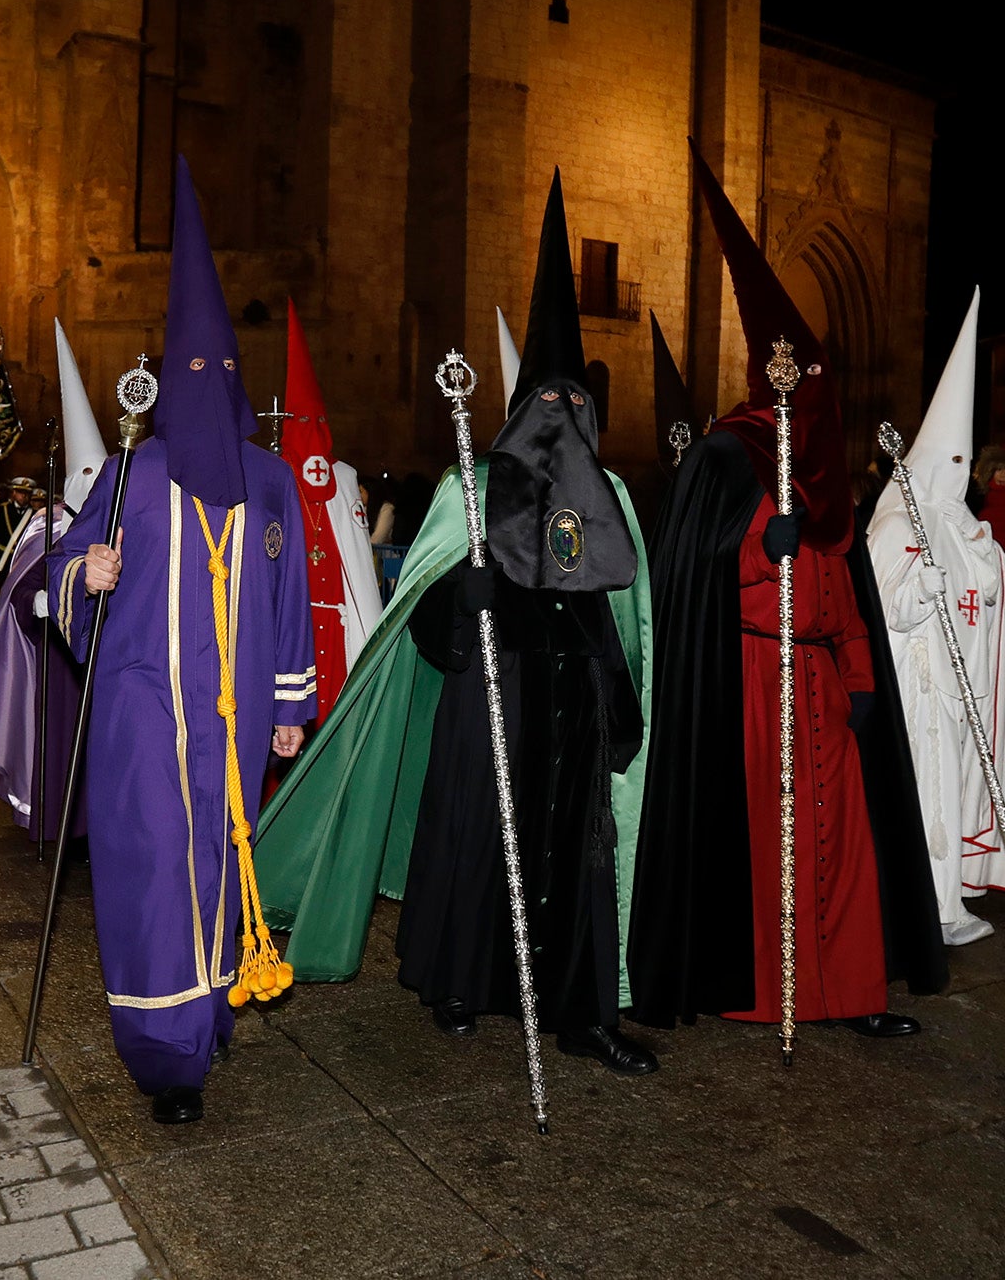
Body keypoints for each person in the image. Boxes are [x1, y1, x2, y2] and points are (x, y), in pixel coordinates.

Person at [254, 171, 658, 1075]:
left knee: (580, 859)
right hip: (494, 692)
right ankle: (462, 982)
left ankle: (585, 1014)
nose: (565, 419)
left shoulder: (618, 495)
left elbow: (624, 616)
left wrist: (623, 705)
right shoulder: (467, 492)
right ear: (520, 414)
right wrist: (457, 599)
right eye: (547, 404)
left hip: (581, 704)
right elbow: (421, 624)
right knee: (483, 835)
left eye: (578, 406)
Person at [627, 142, 946, 1036]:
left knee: (841, 844)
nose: (813, 397)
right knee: (764, 846)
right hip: (746, 681)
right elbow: (690, 571)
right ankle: (760, 993)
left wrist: (860, 682)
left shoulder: (823, 475)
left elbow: (842, 578)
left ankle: (851, 995)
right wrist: (752, 548)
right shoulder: (730, 453)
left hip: (821, 691)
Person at [47, 156, 316, 1125]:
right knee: (155, 865)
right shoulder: (131, 475)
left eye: (222, 373)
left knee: (218, 857)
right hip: (139, 709)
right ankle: (164, 1052)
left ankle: (210, 1013)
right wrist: (88, 575)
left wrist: (291, 706)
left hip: (236, 713)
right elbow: (58, 573)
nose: (208, 387)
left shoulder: (273, 480)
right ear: (166, 381)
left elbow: (291, 599)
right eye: (190, 372)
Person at [867, 289, 1005, 946]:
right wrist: (914, 586)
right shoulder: (897, 519)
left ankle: (948, 902)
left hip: (960, 689)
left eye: (967, 463)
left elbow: (990, 594)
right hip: (916, 683)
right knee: (920, 793)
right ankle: (912, 907)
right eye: (950, 462)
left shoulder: (960, 525)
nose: (959, 475)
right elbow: (880, 601)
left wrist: (987, 562)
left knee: (952, 791)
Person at [0, 318, 108, 843]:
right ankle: (60, 828)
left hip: (111, 659)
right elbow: (21, 596)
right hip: (58, 663)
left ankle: (103, 833)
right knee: (61, 745)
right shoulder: (46, 526)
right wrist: (51, 599)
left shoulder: (125, 525)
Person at [277, 297, 382, 722]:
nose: (312, 436)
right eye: (302, 424)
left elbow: (356, 557)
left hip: (338, 627)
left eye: (318, 423)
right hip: (293, 625)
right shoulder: (276, 475)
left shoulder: (344, 477)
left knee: (335, 720)